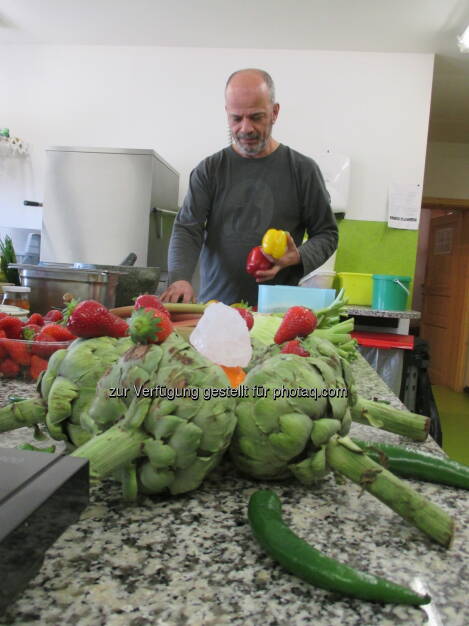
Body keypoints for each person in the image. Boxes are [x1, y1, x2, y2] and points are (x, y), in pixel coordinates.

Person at [161, 68, 338, 306]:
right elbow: (187, 228)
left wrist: (299, 256)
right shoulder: (209, 170)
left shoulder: (303, 170)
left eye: (256, 117)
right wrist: (180, 278)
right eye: (236, 118)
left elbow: (327, 233)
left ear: (274, 112)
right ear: (227, 114)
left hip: (276, 312)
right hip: (215, 309)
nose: (245, 128)